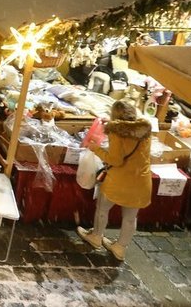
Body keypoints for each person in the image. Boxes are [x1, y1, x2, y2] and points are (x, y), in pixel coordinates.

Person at [76, 100, 152, 261]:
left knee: (103, 208)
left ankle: (96, 236)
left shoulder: (116, 133)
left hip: (119, 181)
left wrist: (96, 149)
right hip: (141, 181)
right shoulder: (144, 129)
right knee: (130, 218)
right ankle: (120, 248)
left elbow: (115, 160)